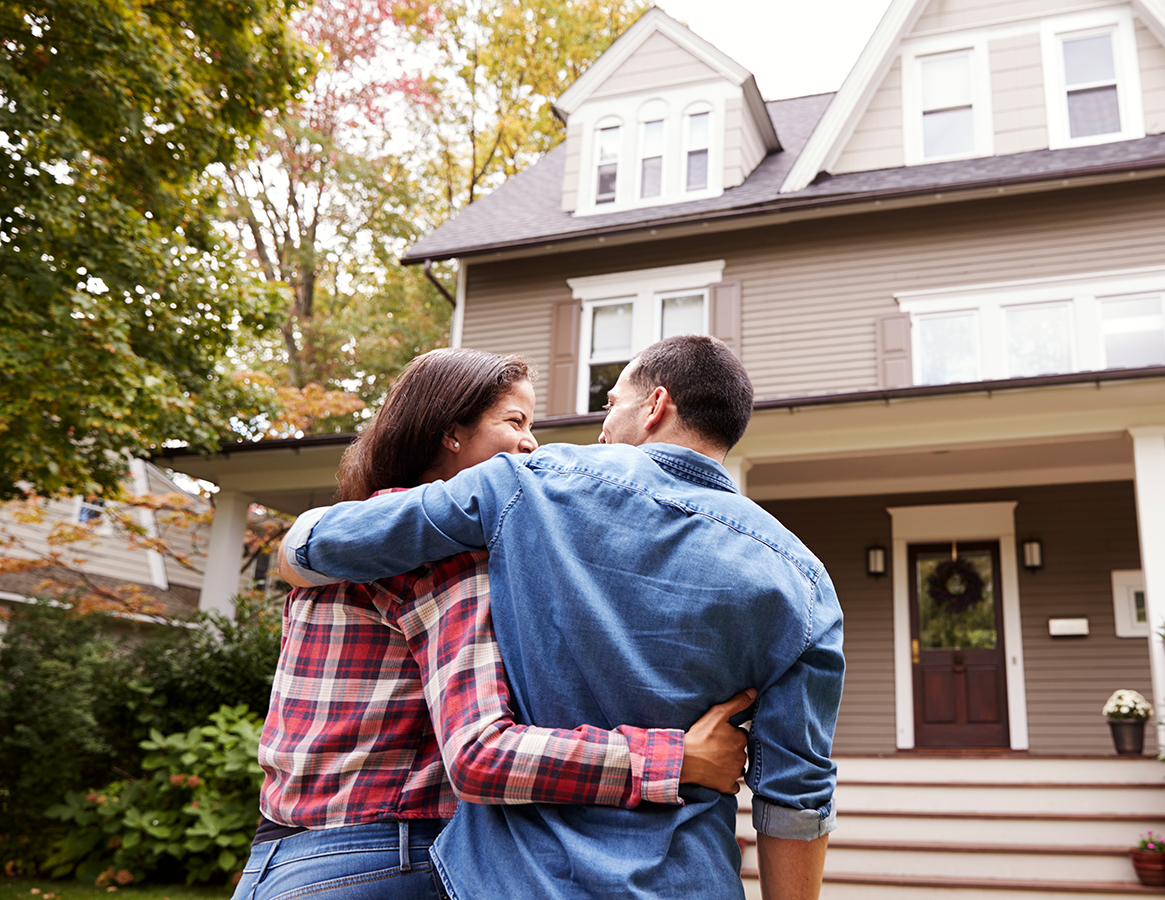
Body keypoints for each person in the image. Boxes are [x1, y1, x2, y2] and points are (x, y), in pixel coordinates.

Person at [281, 335, 843, 900]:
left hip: (517, 881)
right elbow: (797, 795)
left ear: (655, 407)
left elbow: (327, 541)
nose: (601, 425)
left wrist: (295, 547)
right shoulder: (804, 580)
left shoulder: (525, 484)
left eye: (611, 403)